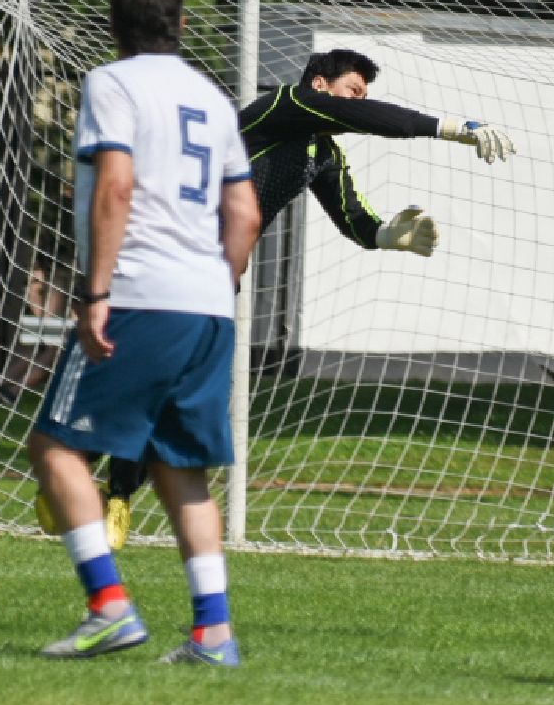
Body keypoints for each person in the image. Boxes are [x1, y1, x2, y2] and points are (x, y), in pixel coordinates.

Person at [99, 47, 517, 547]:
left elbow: (354, 219)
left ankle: (110, 494)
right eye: (353, 91)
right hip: (166, 252)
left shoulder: (322, 154)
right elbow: (364, 118)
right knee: (141, 381)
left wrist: (386, 234)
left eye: (365, 95)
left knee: (169, 397)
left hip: (213, 278)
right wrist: (450, 126)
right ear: (321, 87)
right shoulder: (285, 105)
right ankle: (88, 481)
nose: (360, 103)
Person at [26, 0, 263, 666]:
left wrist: (95, 292)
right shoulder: (215, 99)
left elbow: (117, 186)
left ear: (113, 26)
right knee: (177, 468)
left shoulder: (112, 82)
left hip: (137, 294)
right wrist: (214, 283)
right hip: (208, 307)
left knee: (56, 448)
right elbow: (244, 213)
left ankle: (110, 607)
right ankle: (213, 635)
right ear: (181, 24)